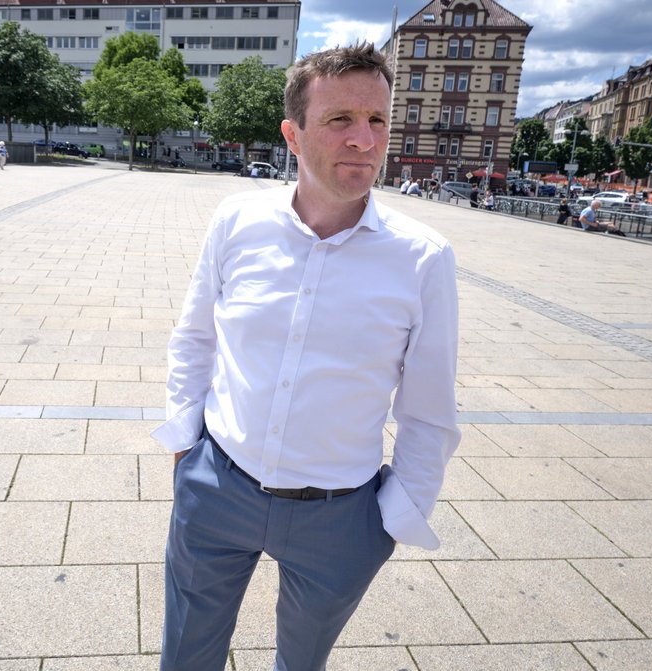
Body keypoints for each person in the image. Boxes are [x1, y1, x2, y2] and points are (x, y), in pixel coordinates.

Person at [154, 43, 460, 671]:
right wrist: (188, 451)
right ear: (293, 135)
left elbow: (429, 407)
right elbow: (194, 337)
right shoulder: (236, 222)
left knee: (302, 665)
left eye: (377, 120)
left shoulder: (423, 258)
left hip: (340, 517)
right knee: (186, 655)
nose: (364, 139)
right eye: (340, 119)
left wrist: (394, 520)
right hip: (219, 487)